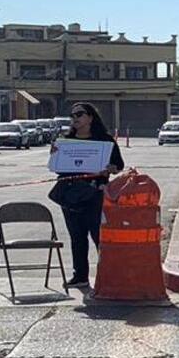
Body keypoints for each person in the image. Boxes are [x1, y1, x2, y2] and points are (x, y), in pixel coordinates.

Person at [51, 102, 123, 288]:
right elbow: (56, 167)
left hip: (95, 193)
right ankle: (80, 276)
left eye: (79, 114)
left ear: (90, 117)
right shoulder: (66, 141)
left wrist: (111, 168)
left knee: (99, 235)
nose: (75, 118)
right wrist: (55, 155)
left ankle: (108, 276)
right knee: (77, 236)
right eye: (72, 115)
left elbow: (118, 165)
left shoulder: (104, 140)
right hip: (70, 194)